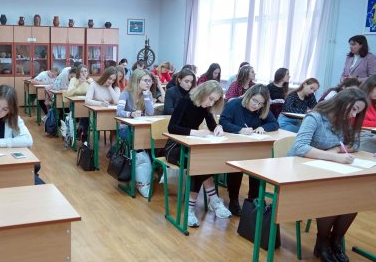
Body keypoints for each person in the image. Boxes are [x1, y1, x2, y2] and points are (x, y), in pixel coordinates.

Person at [288, 88, 369, 262]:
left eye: (357, 112)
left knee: (355, 197)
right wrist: (333, 156)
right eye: (353, 109)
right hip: (300, 173)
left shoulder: (344, 122)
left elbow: (355, 144)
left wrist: (336, 150)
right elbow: (300, 147)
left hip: (327, 171)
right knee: (332, 196)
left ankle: (335, 241)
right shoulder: (315, 117)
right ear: (343, 102)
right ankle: (323, 241)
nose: (354, 114)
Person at [166, 80, 230, 227]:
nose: (211, 103)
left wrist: (218, 127)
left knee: (200, 163)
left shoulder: (205, 107)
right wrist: (194, 132)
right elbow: (172, 127)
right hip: (174, 148)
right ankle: (211, 201)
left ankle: (194, 207)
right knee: (198, 163)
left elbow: (212, 125)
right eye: (211, 99)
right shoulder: (185, 101)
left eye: (215, 101)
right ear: (203, 93)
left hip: (191, 149)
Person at [219, 84, 279, 215]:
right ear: (248, 96)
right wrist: (239, 130)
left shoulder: (262, 110)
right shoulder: (234, 104)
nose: (256, 105)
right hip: (234, 147)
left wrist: (264, 127)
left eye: (260, 103)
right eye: (254, 101)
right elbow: (223, 122)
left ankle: (253, 200)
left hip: (253, 147)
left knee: (257, 167)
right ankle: (233, 200)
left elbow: (274, 123)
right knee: (236, 168)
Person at [116, 69, 156, 196]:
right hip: (126, 129)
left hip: (142, 129)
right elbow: (118, 112)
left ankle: (149, 171)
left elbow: (151, 113)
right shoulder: (126, 94)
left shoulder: (147, 94)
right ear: (136, 81)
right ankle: (140, 173)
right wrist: (131, 114)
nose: (148, 83)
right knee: (141, 142)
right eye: (145, 80)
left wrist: (146, 96)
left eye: (150, 81)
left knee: (154, 140)